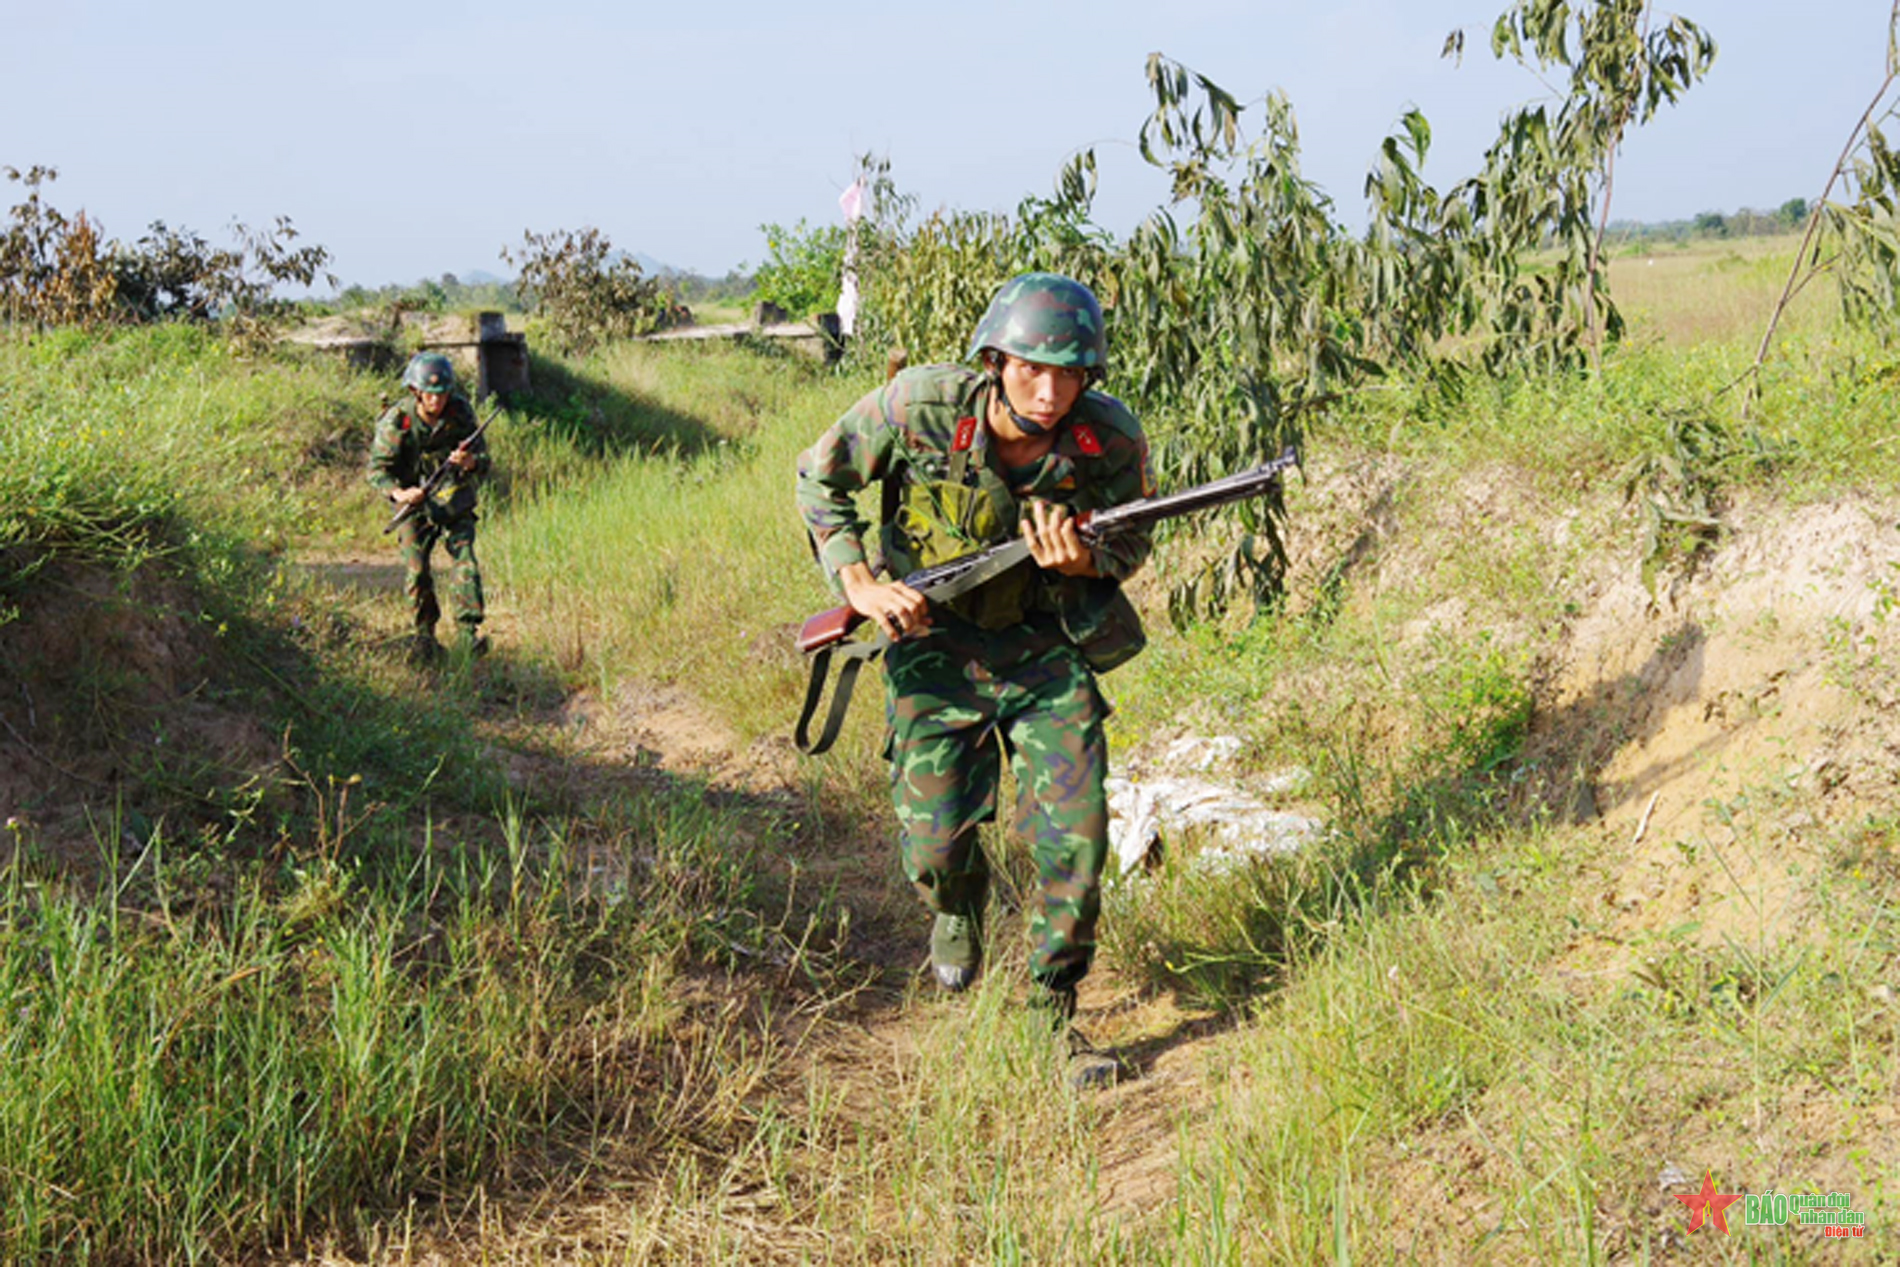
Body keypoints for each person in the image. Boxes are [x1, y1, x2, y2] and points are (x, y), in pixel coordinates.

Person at [794, 272, 1155, 1034]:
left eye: (1069, 374)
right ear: (995, 360)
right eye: (1032, 369)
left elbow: (1132, 538)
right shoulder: (921, 407)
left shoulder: (1109, 439)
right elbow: (820, 478)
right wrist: (862, 586)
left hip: (1046, 643)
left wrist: (1082, 560)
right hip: (935, 641)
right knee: (933, 847)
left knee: (1077, 836)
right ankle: (957, 902)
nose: (1050, 393)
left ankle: (1050, 1008)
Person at [366, 352, 491, 663]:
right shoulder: (398, 420)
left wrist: (470, 462)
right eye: (430, 394)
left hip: (452, 499)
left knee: (465, 561)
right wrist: (400, 493)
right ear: (416, 391)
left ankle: (468, 634)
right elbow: (377, 471)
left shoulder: (460, 412)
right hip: (415, 505)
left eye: (442, 393)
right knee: (417, 570)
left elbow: (484, 460)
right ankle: (425, 637)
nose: (437, 400)